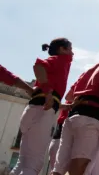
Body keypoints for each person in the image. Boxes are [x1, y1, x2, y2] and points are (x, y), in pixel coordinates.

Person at [52, 40, 99, 175]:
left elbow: (69, 96)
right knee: (80, 164)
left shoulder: (89, 71)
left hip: (71, 119)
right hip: (88, 119)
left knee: (59, 167)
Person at [11, 38, 73, 175]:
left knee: (23, 163)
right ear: (62, 50)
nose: (73, 53)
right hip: (42, 112)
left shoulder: (59, 64)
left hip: (33, 110)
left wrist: (61, 105)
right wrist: (48, 93)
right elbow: (39, 66)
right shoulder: (60, 60)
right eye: (70, 49)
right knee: (33, 165)